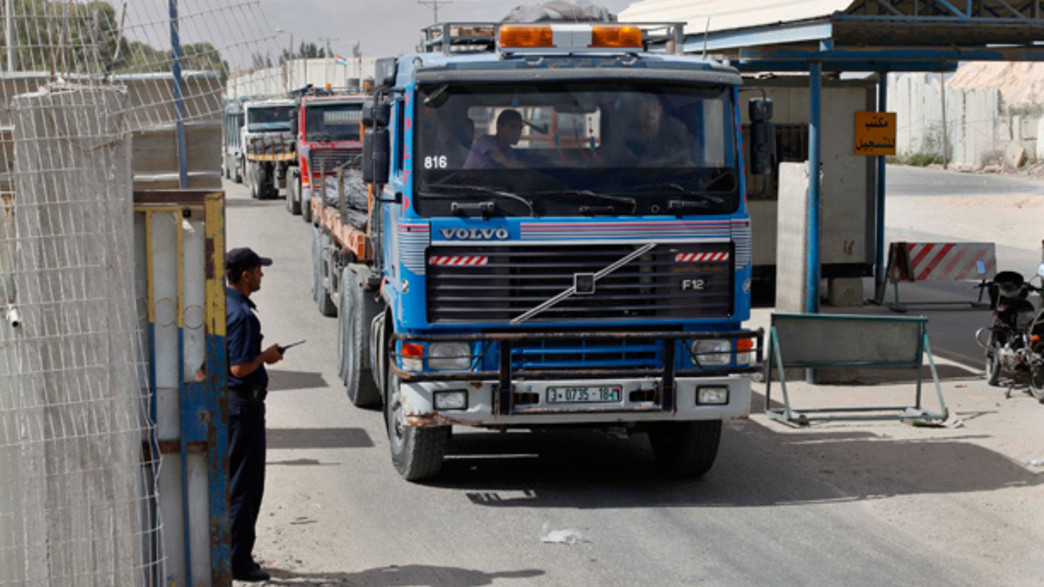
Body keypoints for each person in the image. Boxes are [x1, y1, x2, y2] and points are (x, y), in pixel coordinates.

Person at [225, 247, 283, 582]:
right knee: (245, 486)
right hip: (243, 408)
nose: (262, 275)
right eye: (259, 270)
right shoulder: (244, 316)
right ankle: (239, 562)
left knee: (236, 483)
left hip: (231, 405)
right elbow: (240, 366)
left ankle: (233, 555)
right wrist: (267, 357)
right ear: (245, 275)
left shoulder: (224, 303)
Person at [623, 94, 695, 166]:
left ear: (660, 110)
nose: (650, 114)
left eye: (654, 109)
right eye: (645, 110)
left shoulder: (676, 134)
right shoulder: (628, 137)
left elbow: (687, 163)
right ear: (637, 113)